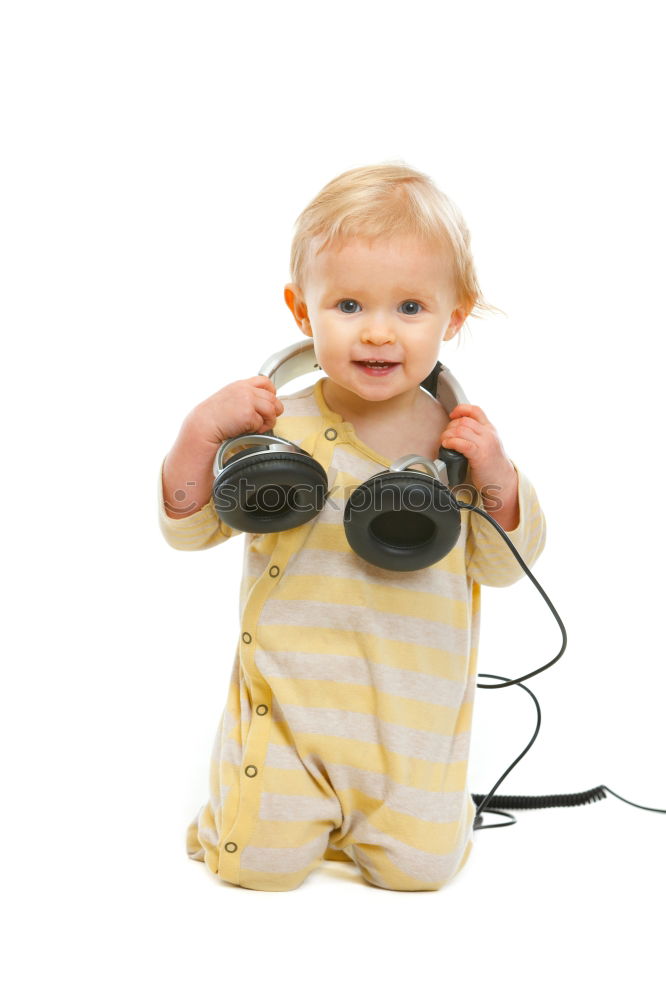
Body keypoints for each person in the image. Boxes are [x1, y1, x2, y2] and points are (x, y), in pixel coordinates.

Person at [158, 162, 547, 892]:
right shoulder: (274, 433)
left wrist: (496, 476)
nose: (377, 331)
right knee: (253, 869)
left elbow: (504, 566)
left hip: (411, 731)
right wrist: (199, 435)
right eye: (346, 304)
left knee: (423, 874)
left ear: (453, 317)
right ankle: (248, 809)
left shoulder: (457, 449)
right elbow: (187, 526)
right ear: (301, 313)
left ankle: (392, 819)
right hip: (287, 719)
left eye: (409, 307)